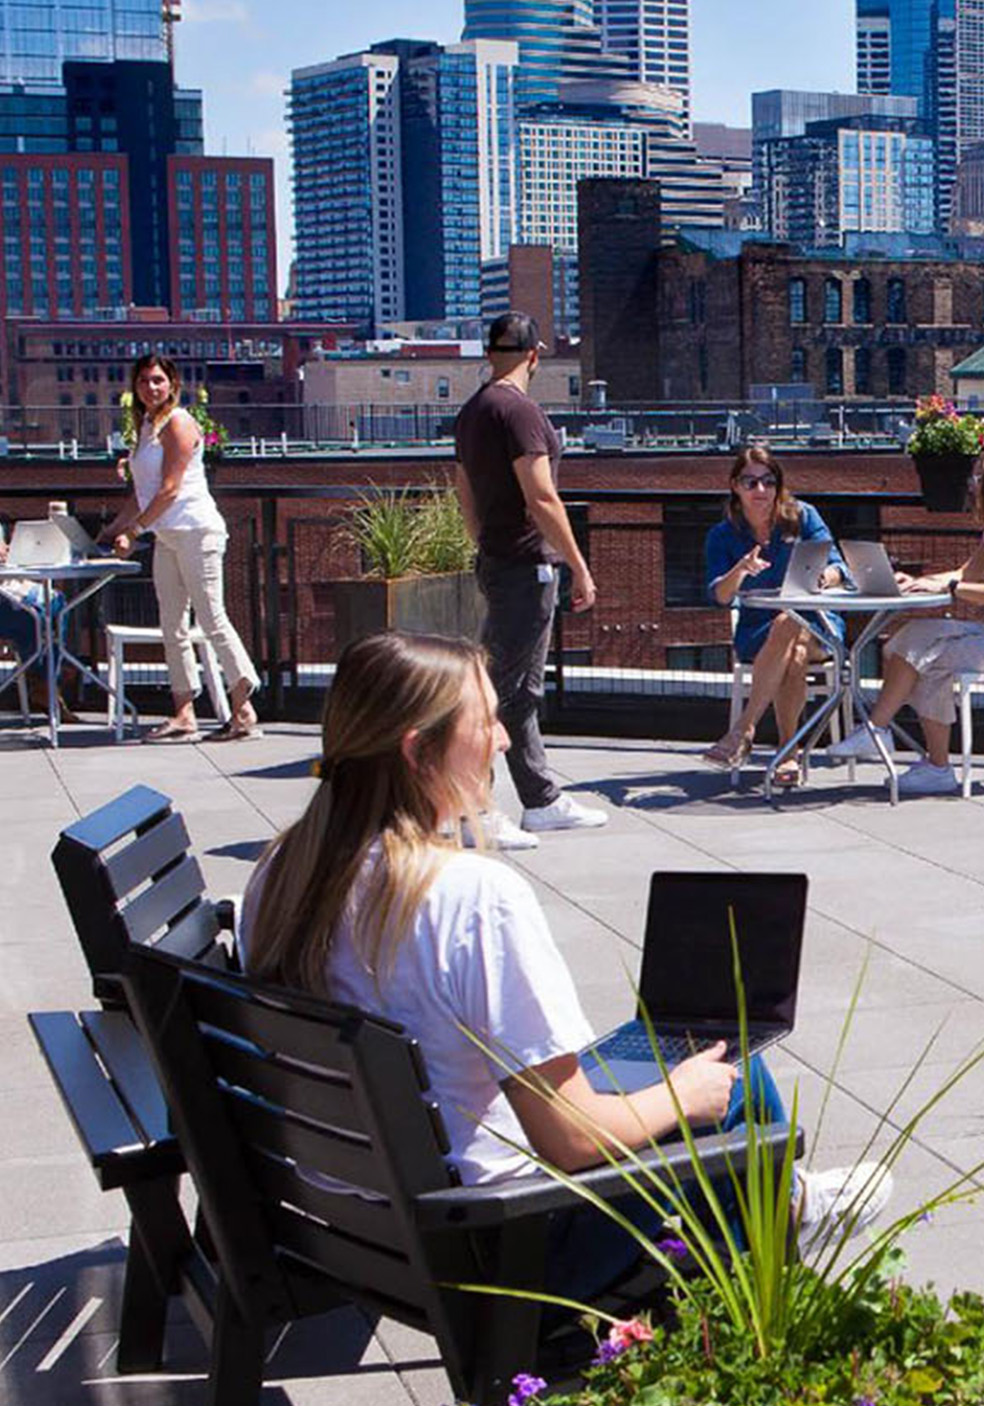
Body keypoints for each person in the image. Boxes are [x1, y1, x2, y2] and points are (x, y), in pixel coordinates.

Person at [237, 631, 891, 1300]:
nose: (501, 740)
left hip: (349, 1221)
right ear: (416, 751)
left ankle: (787, 1211)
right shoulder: (470, 900)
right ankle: (783, 1235)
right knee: (733, 1076)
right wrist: (681, 1095)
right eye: (485, 721)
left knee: (692, 1072)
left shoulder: (283, 875)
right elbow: (573, 1142)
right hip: (498, 1245)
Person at [825, 443, 984, 796]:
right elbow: (966, 573)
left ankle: (891, 737)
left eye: (978, 480)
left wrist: (954, 589)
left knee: (925, 657)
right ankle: (906, 748)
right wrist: (924, 582)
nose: (972, 487)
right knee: (911, 636)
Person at [451, 311, 607, 849]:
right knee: (496, 694)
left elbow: (464, 490)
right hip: (525, 566)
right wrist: (579, 566)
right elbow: (542, 496)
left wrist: (483, 543)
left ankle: (539, 800)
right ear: (536, 355)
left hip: (499, 559)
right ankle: (477, 812)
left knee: (517, 692)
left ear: (490, 352)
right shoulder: (519, 412)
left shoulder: (474, 411)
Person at [100, 353, 261, 742]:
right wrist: (107, 532)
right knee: (172, 625)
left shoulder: (179, 422)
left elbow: (170, 489)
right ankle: (184, 714)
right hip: (167, 536)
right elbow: (143, 495)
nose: (151, 387)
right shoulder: (146, 427)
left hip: (196, 531)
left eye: (158, 380)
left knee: (211, 618)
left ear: (172, 383)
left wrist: (134, 532)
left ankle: (243, 709)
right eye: (143, 381)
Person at [697, 445, 845, 786]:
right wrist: (741, 569)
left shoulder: (803, 516)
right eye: (750, 482)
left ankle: (743, 730)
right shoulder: (722, 535)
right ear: (735, 486)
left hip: (819, 625)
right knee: (791, 648)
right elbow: (720, 595)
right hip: (757, 631)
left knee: (790, 619)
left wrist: (822, 577)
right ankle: (788, 754)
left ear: (778, 485)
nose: (760, 490)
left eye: (768, 481)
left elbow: (839, 566)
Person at [0, 531, 71, 718]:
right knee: (40, 614)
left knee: (54, 605)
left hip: (9, 589)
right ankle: (46, 684)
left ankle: (44, 682)